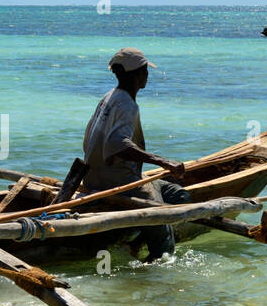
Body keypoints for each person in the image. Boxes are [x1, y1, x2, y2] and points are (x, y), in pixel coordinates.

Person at [81, 47, 191, 261]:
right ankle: (159, 257)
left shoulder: (109, 97)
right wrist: (163, 162)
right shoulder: (127, 104)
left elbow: (88, 139)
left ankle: (137, 234)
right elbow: (117, 143)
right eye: (145, 71)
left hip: (93, 178)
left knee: (179, 195)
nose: (147, 75)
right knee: (161, 217)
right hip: (118, 182)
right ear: (137, 75)